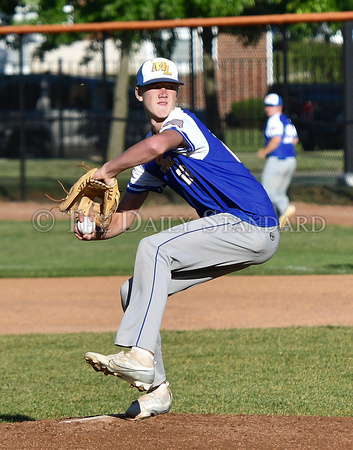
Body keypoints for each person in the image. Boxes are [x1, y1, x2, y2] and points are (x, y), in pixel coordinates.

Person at [75, 57, 280, 421]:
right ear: (139, 94)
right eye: (155, 87)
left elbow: (157, 147)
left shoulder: (181, 123)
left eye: (170, 86)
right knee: (132, 290)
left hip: (250, 222)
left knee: (154, 249)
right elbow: (126, 215)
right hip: (236, 231)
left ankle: (140, 357)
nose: (164, 92)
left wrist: (107, 169)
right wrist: (96, 231)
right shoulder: (148, 165)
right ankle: (158, 392)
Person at [257, 93, 299, 228]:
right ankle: (284, 222)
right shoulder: (286, 120)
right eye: (266, 106)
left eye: (271, 106)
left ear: (279, 107)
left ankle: (285, 207)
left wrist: (264, 152)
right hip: (291, 160)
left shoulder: (274, 120)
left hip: (278, 159)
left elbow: (276, 139)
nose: (268, 108)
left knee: (267, 190)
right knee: (280, 191)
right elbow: (295, 140)